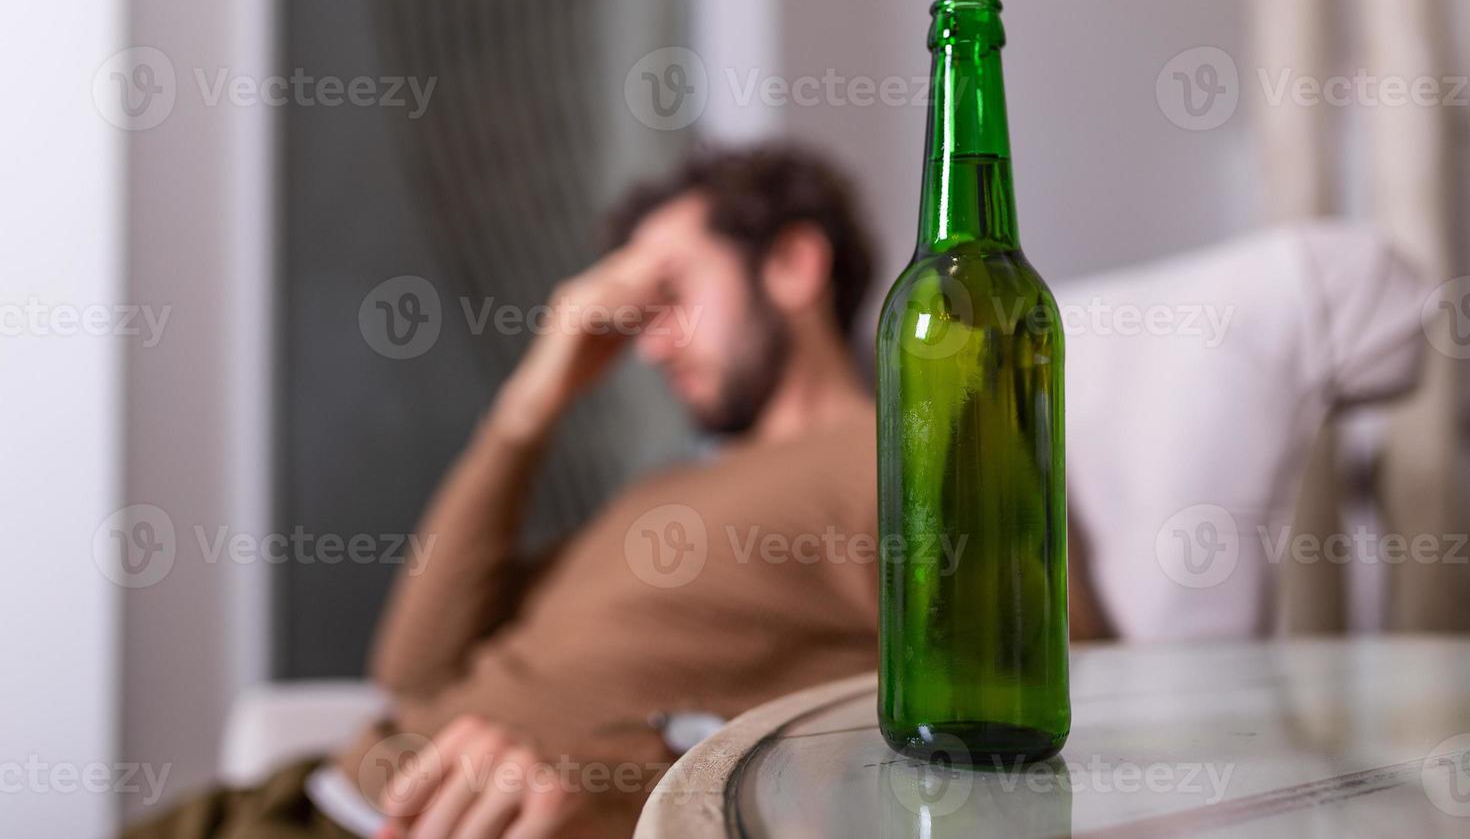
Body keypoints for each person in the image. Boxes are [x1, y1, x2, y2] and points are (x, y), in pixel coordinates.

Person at [128, 143, 1111, 839]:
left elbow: (1074, 712)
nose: (648, 338)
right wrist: (531, 401)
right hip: (284, 800)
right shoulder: (660, 494)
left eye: (670, 292)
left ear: (794, 263)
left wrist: (644, 806)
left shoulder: (908, 452)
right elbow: (413, 664)